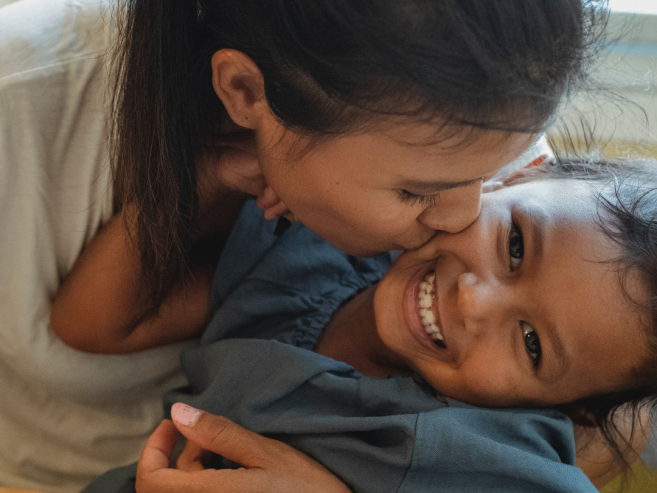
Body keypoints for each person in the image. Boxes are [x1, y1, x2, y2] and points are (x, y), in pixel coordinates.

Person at [0, 0, 605, 490]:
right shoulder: (309, 270)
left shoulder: (474, 89)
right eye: (419, 191)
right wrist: (205, 180)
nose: (463, 215)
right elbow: (93, 326)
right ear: (243, 92)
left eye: (493, 176)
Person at [82, 158, 657, 493]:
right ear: (510, 175)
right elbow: (94, 324)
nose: (474, 302)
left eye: (532, 344)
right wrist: (217, 170)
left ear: (567, 407)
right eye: (514, 244)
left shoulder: (486, 454)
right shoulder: (319, 250)